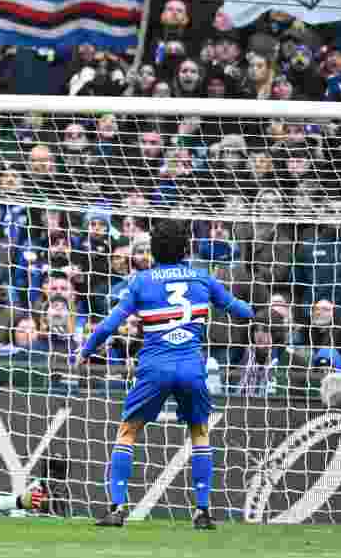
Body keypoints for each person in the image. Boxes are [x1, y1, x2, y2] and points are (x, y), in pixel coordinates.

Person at [78, 218, 255, 530]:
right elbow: (242, 311)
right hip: (191, 365)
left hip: (154, 367)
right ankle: (202, 512)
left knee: (128, 430)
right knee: (199, 432)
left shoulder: (141, 282)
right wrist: (248, 307)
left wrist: (85, 351)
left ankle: (118, 508)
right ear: (186, 248)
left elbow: (108, 325)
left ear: (154, 251)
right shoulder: (203, 278)